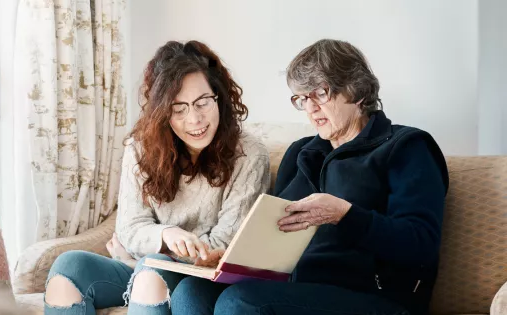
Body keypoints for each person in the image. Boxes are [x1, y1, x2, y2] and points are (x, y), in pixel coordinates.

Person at [174, 39, 449, 315]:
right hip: (300, 291)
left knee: (240, 302)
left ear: (356, 90)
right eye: (302, 98)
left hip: (377, 298)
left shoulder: (407, 147)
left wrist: (344, 215)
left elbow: (420, 244)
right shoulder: (301, 153)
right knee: (191, 290)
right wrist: (233, 260)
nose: (310, 107)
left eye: (320, 93)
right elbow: (274, 239)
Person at [43, 40, 270, 315]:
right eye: (179, 109)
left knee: (149, 270)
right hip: (143, 266)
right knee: (68, 268)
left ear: (218, 97)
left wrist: (143, 256)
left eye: (202, 103)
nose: (194, 119)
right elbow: (129, 226)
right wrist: (165, 234)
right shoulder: (140, 148)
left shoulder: (249, 156)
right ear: (164, 113)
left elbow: (224, 247)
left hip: (195, 280)